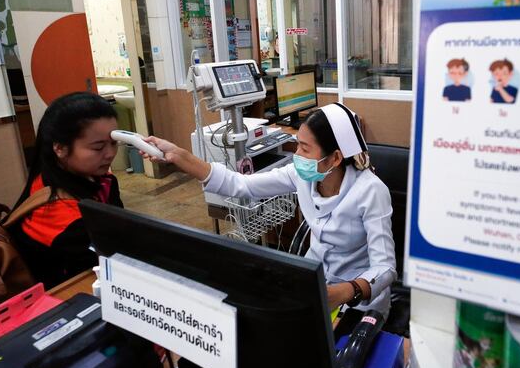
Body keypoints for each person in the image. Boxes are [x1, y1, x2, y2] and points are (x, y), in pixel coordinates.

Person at [142, 103, 397, 317]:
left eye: (305, 149)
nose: (297, 155)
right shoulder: (303, 175)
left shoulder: (370, 192)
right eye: (298, 145)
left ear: (335, 158)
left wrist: (344, 292)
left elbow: (385, 268)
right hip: (313, 283)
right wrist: (181, 157)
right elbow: (240, 184)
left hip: (358, 300)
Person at [10, 92, 123, 289]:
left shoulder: (100, 180)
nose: (110, 153)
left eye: (113, 142)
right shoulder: (55, 213)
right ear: (60, 149)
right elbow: (108, 261)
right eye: (98, 148)